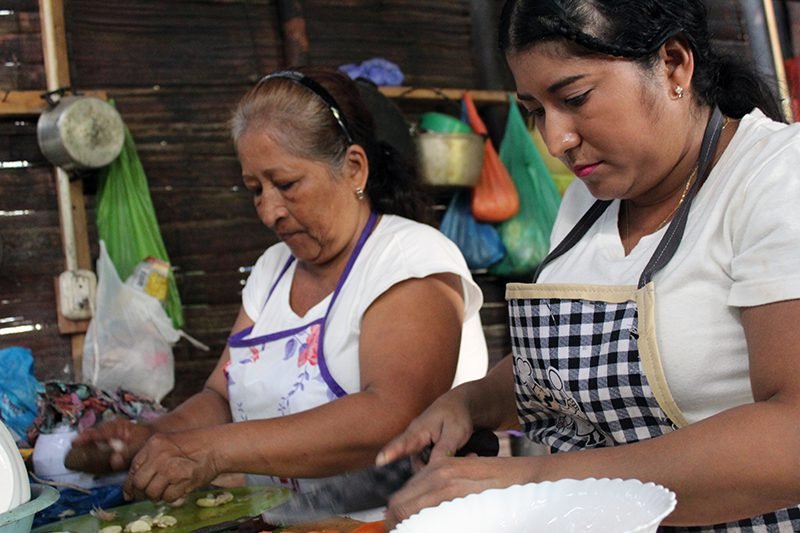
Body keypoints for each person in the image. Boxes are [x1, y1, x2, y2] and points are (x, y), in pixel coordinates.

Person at [378, 1, 800, 531]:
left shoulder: (778, 178)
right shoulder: (589, 201)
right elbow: (583, 366)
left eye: (574, 98)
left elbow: (792, 435)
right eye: (535, 111)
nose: (556, 141)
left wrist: (536, 480)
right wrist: (472, 402)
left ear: (673, 64)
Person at [72, 67, 488, 504]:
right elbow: (220, 395)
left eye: (287, 184)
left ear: (353, 168)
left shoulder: (409, 258)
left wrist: (212, 451)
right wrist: (153, 436)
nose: (270, 212)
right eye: (256, 189)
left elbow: (391, 414)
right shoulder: (273, 270)